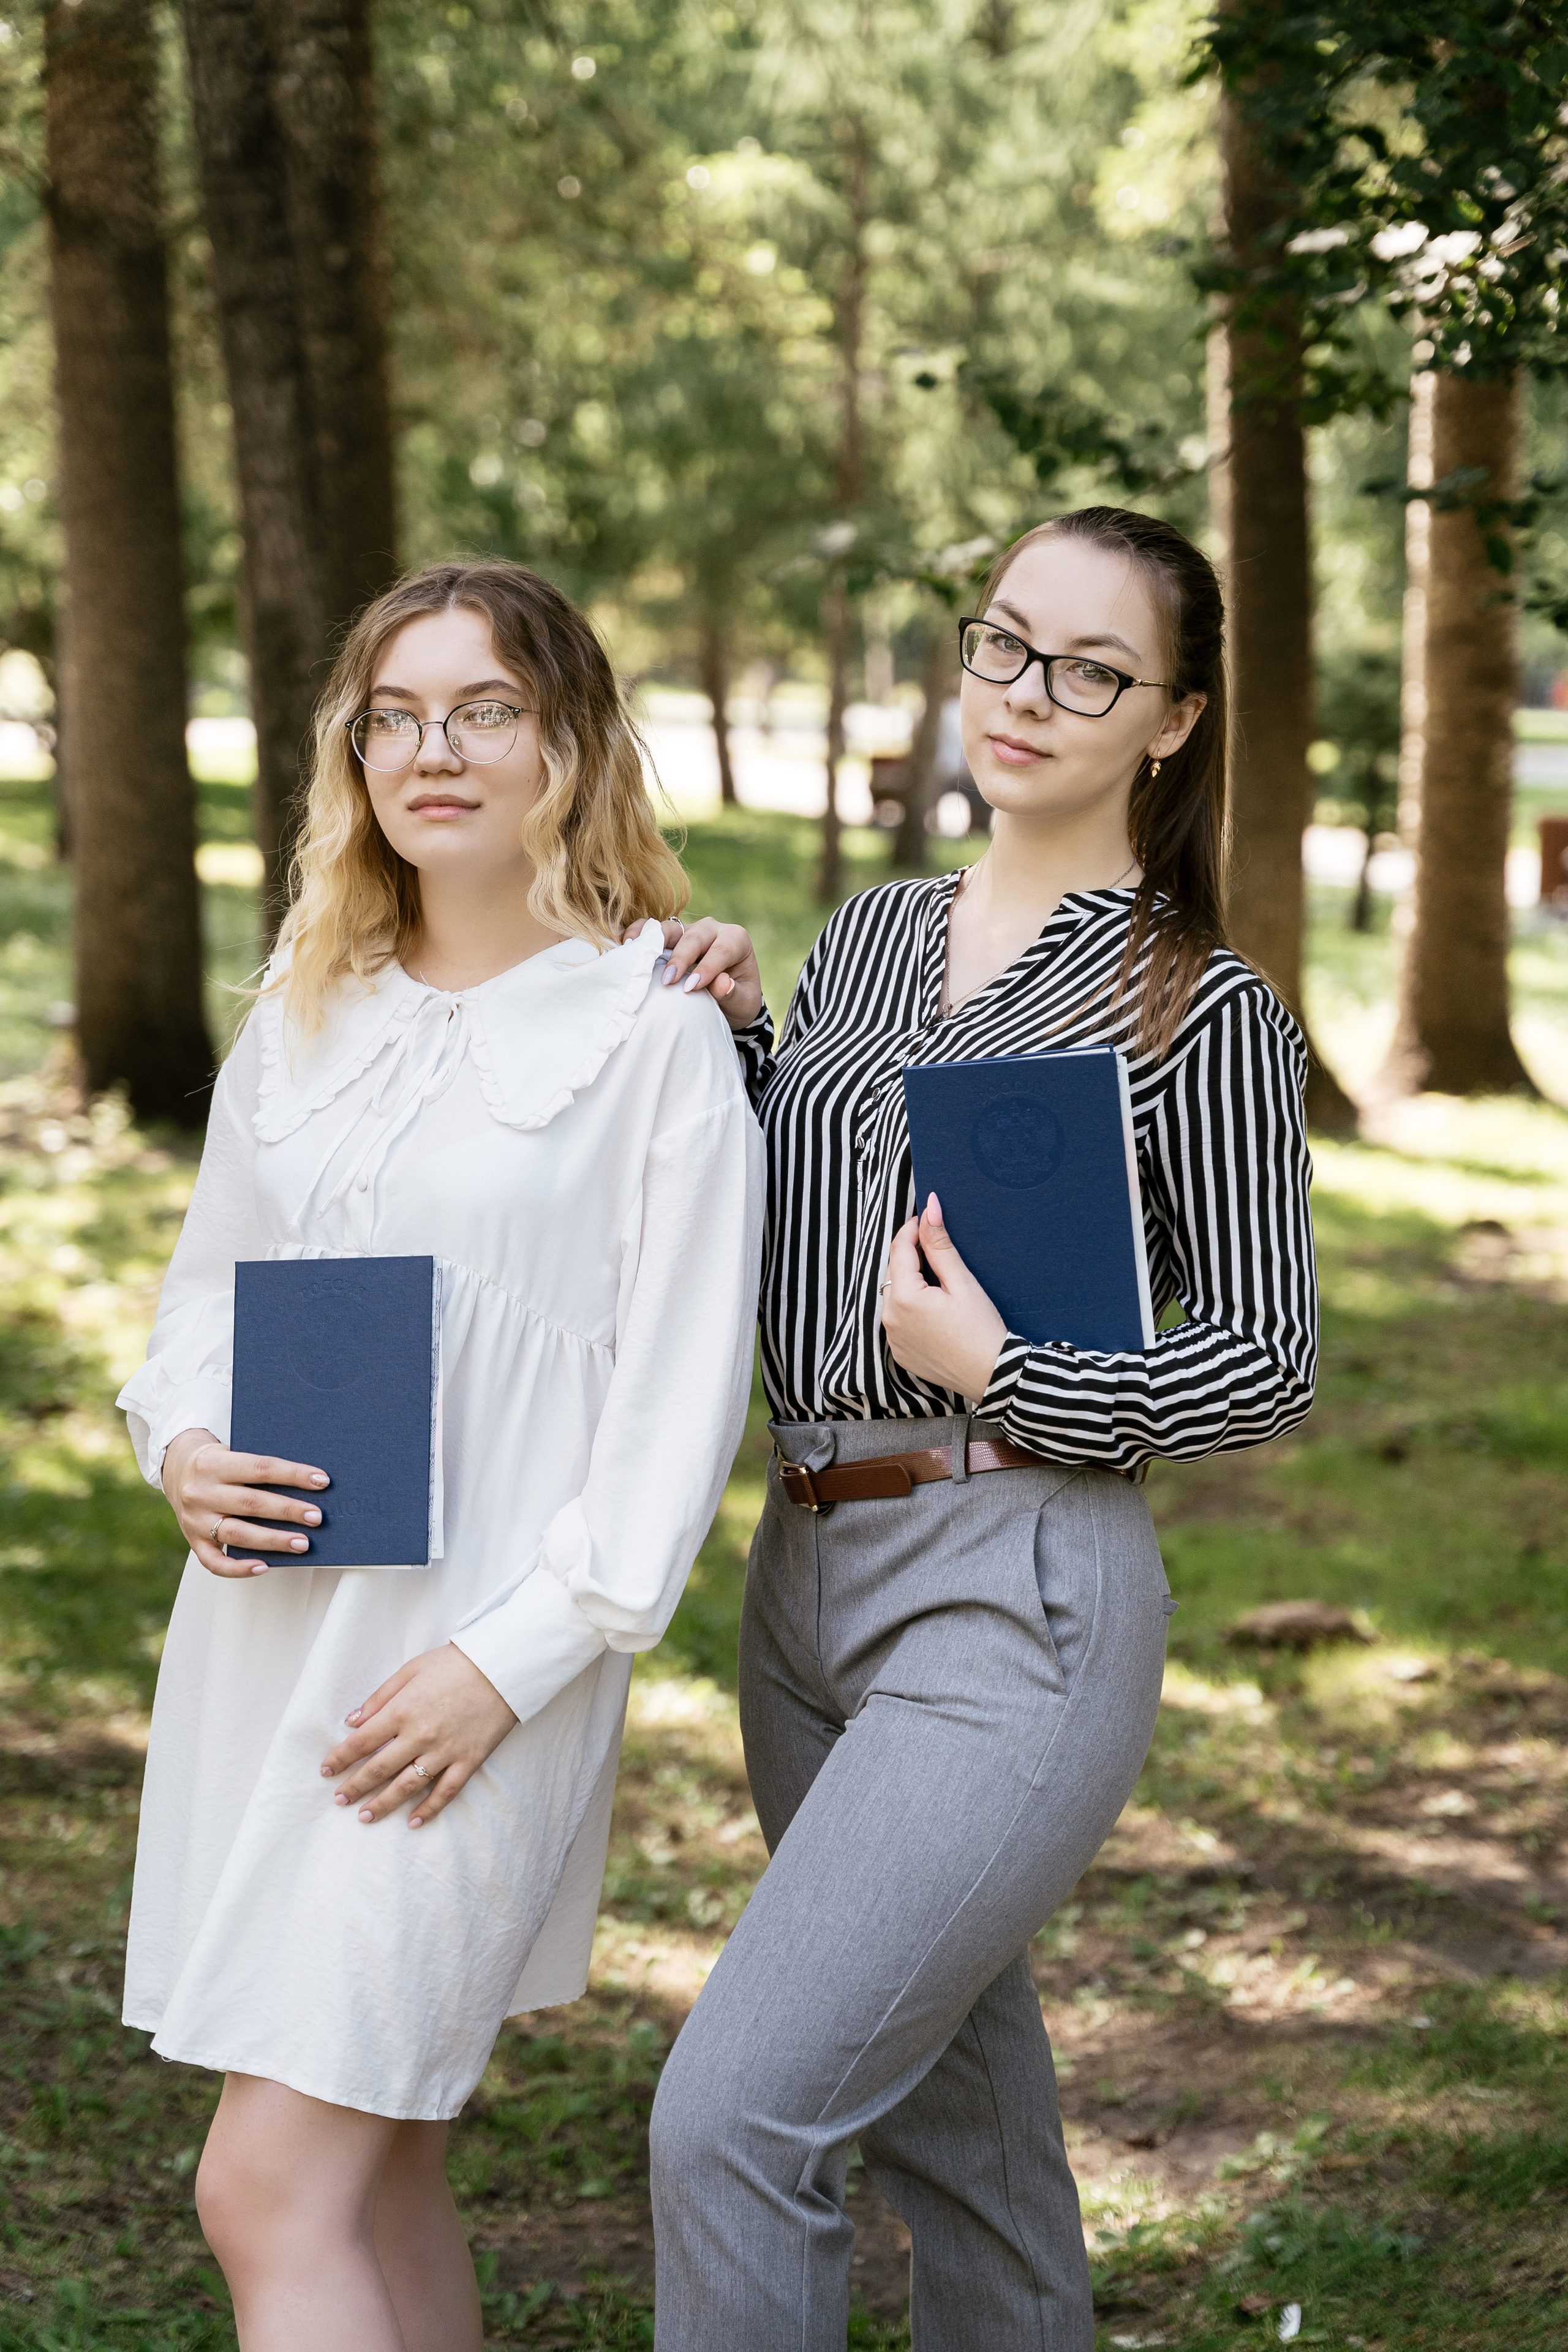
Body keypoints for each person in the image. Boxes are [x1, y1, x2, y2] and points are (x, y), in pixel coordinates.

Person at [643, 507, 1317, 2349]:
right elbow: (814, 1186)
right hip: (804, 1575)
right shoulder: (868, 937)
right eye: (1005, 642)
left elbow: (1268, 1359)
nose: (1026, 696)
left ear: (1172, 721)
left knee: (729, 2122)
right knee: (962, 2138)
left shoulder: (1199, 1004)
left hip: (1017, 1593)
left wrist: (1014, 1370)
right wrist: (733, 1041)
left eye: (1091, 669)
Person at [116, 560, 763, 2351]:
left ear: (568, 742)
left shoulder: (658, 1038)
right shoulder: (305, 1011)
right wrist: (180, 1442)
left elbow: (676, 1416)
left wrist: (506, 1669)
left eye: (483, 710)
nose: (435, 750)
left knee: (262, 2187)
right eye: (395, 716)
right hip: (265, 1649)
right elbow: (199, 1310)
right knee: (374, 2163)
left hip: (470, 1677)